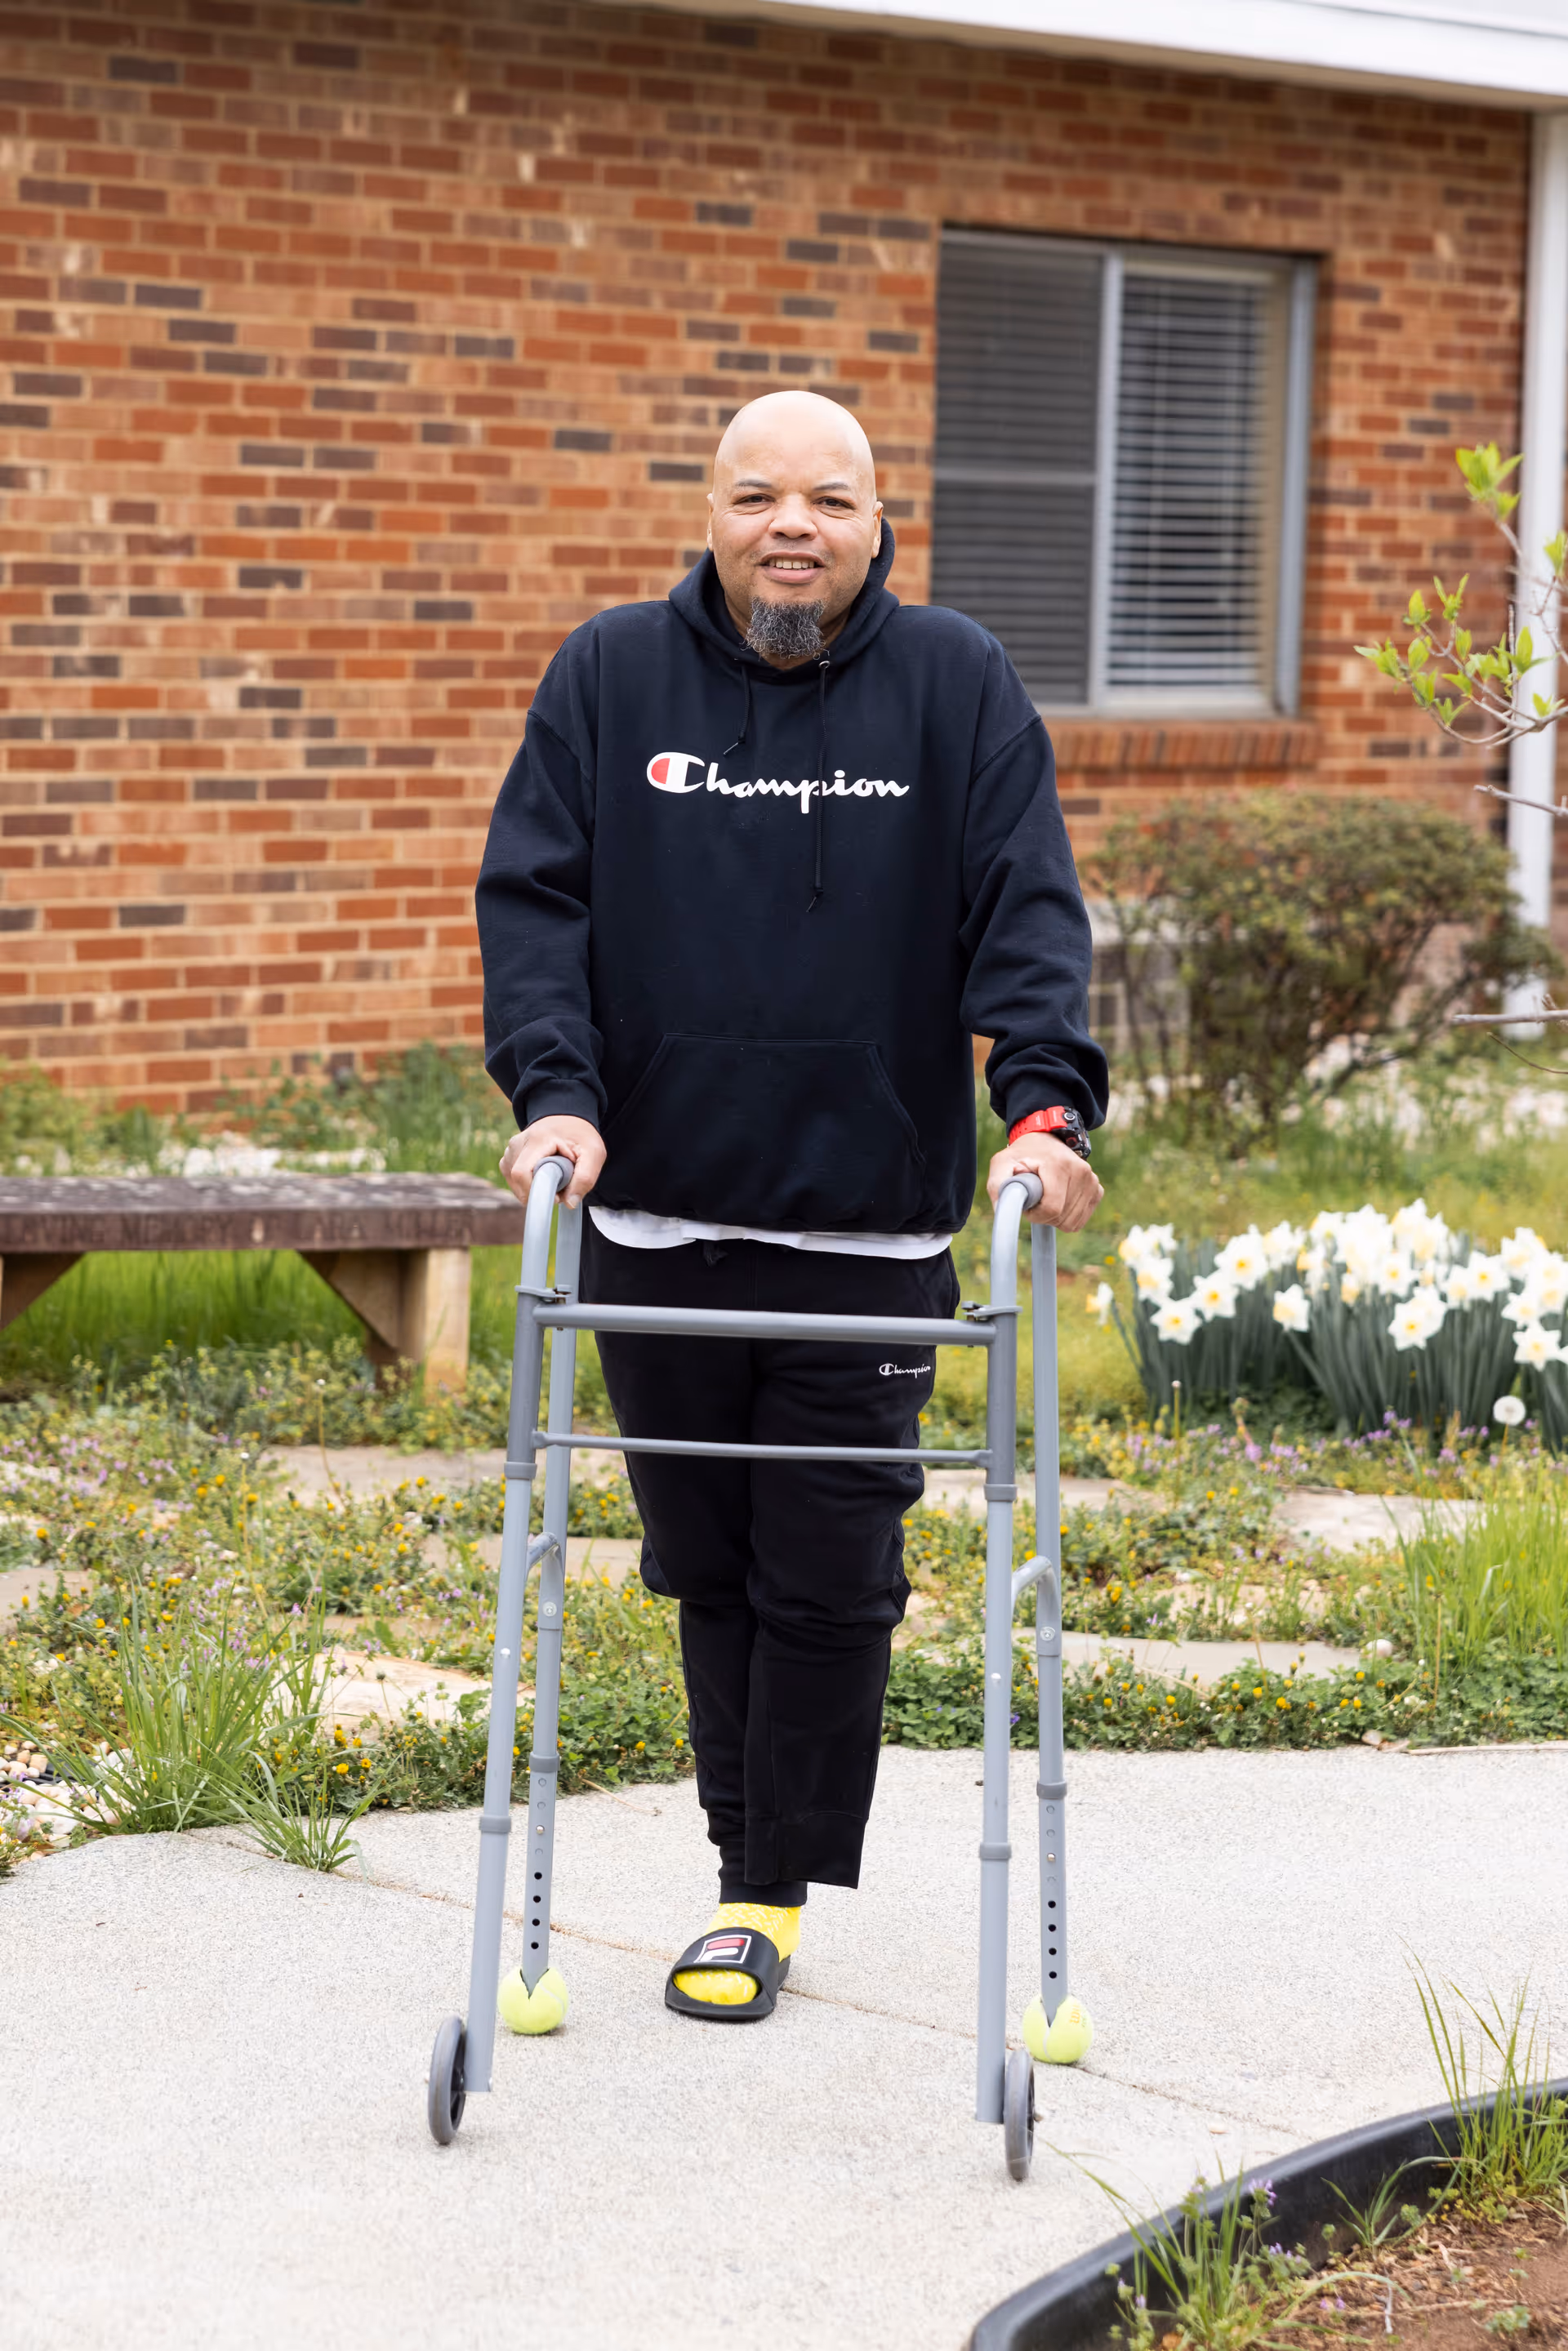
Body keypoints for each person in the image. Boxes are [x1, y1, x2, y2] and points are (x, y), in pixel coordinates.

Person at [477, 389, 1107, 2024]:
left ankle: (758, 1890)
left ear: (878, 516)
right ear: (711, 508)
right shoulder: (610, 677)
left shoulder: (952, 683)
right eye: (758, 493)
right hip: (657, 1220)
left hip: (867, 1225)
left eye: (828, 496)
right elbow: (535, 897)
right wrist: (555, 1088)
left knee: (831, 1570)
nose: (792, 525)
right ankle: (747, 1854)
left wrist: (1041, 1107)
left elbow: (1024, 905)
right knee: (707, 1562)